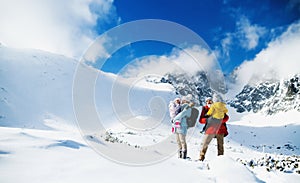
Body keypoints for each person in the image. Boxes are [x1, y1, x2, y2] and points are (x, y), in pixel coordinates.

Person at [199, 94, 228, 161]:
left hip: (220, 129)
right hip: (210, 129)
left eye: (210, 101)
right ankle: (201, 158)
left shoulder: (219, 107)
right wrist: (208, 120)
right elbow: (201, 120)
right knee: (204, 143)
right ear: (206, 102)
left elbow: (226, 117)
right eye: (207, 101)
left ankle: (220, 160)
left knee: (220, 145)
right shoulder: (205, 109)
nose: (209, 102)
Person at [173, 94, 194, 159]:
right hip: (177, 126)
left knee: (182, 140)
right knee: (178, 141)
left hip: (182, 126)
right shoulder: (181, 107)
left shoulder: (187, 107)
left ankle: (184, 155)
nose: (183, 101)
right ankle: (180, 154)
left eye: (184, 100)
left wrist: (174, 118)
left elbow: (182, 114)